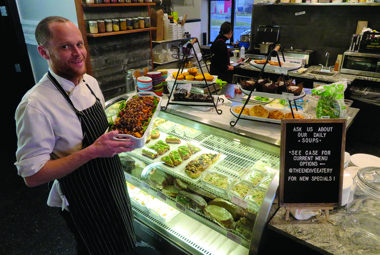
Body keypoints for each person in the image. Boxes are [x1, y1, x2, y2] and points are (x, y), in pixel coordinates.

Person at [15, 16, 139, 255]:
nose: (77, 53)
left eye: (79, 44)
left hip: (113, 182)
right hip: (84, 198)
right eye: (65, 46)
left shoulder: (90, 82)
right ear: (44, 52)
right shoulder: (34, 105)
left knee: (124, 241)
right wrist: (93, 151)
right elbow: (32, 176)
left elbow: (101, 133)